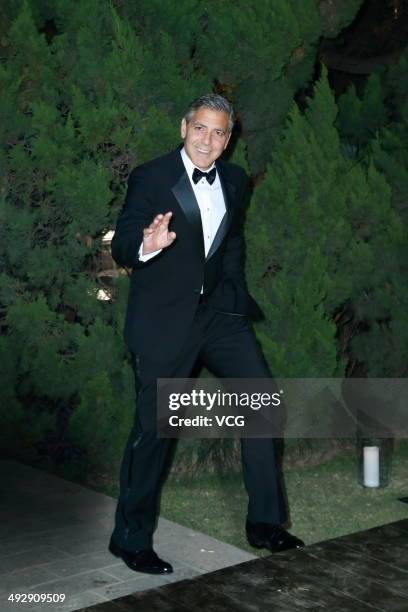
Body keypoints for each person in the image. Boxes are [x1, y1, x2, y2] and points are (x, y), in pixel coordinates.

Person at [109, 94, 304, 575]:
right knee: (153, 431)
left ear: (229, 139)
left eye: (219, 132)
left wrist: (233, 299)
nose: (208, 140)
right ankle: (129, 539)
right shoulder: (152, 176)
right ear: (183, 127)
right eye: (201, 128)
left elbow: (229, 243)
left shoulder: (235, 180)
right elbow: (126, 240)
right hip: (165, 319)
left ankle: (265, 524)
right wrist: (147, 245)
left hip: (219, 317)